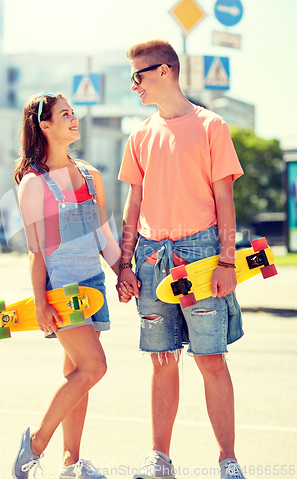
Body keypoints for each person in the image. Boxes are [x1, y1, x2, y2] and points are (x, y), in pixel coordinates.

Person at [117, 40, 246, 479]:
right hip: (151, 257)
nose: (133, 84)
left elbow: (225, 199)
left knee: (211, 358)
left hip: (200, 255)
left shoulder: (212, 126)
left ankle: (228, 461)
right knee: (161, 359)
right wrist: (123, 263)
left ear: (165, 71)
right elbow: (132, 204)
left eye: (138, 75)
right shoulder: (139, 135)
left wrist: (227, 261)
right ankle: (160, 459)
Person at [12, 92, 131, 479]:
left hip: (93, 283)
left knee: (79, 374)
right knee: (95, 367)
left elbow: (105, 238)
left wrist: (122, 273)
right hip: (62, 288)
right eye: (65, 114)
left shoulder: (90, 175)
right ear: (45, 125)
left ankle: (72, 463)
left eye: (73, 113)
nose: (73, 119)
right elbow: (37, 252)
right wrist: (40, 302)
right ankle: (35, 445)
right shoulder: (33, 183)